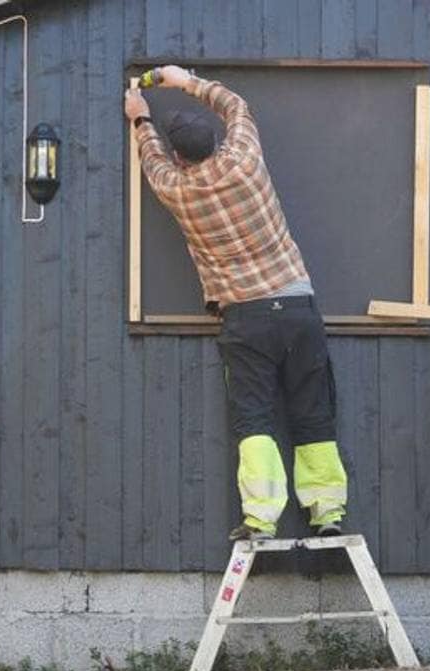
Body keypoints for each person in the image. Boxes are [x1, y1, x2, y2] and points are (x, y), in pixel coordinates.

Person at [124, 65, 347, 541]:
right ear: (216, 142)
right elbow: (236, 106)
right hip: (298, 306)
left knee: (255, 417)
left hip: (246, 318)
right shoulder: (245, 157)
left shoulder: (177, 189)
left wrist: (140, 117)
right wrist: (184, 81)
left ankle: (261, 519)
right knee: (313, 410)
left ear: (181, 157)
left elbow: (151, 159)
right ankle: (328, 514)